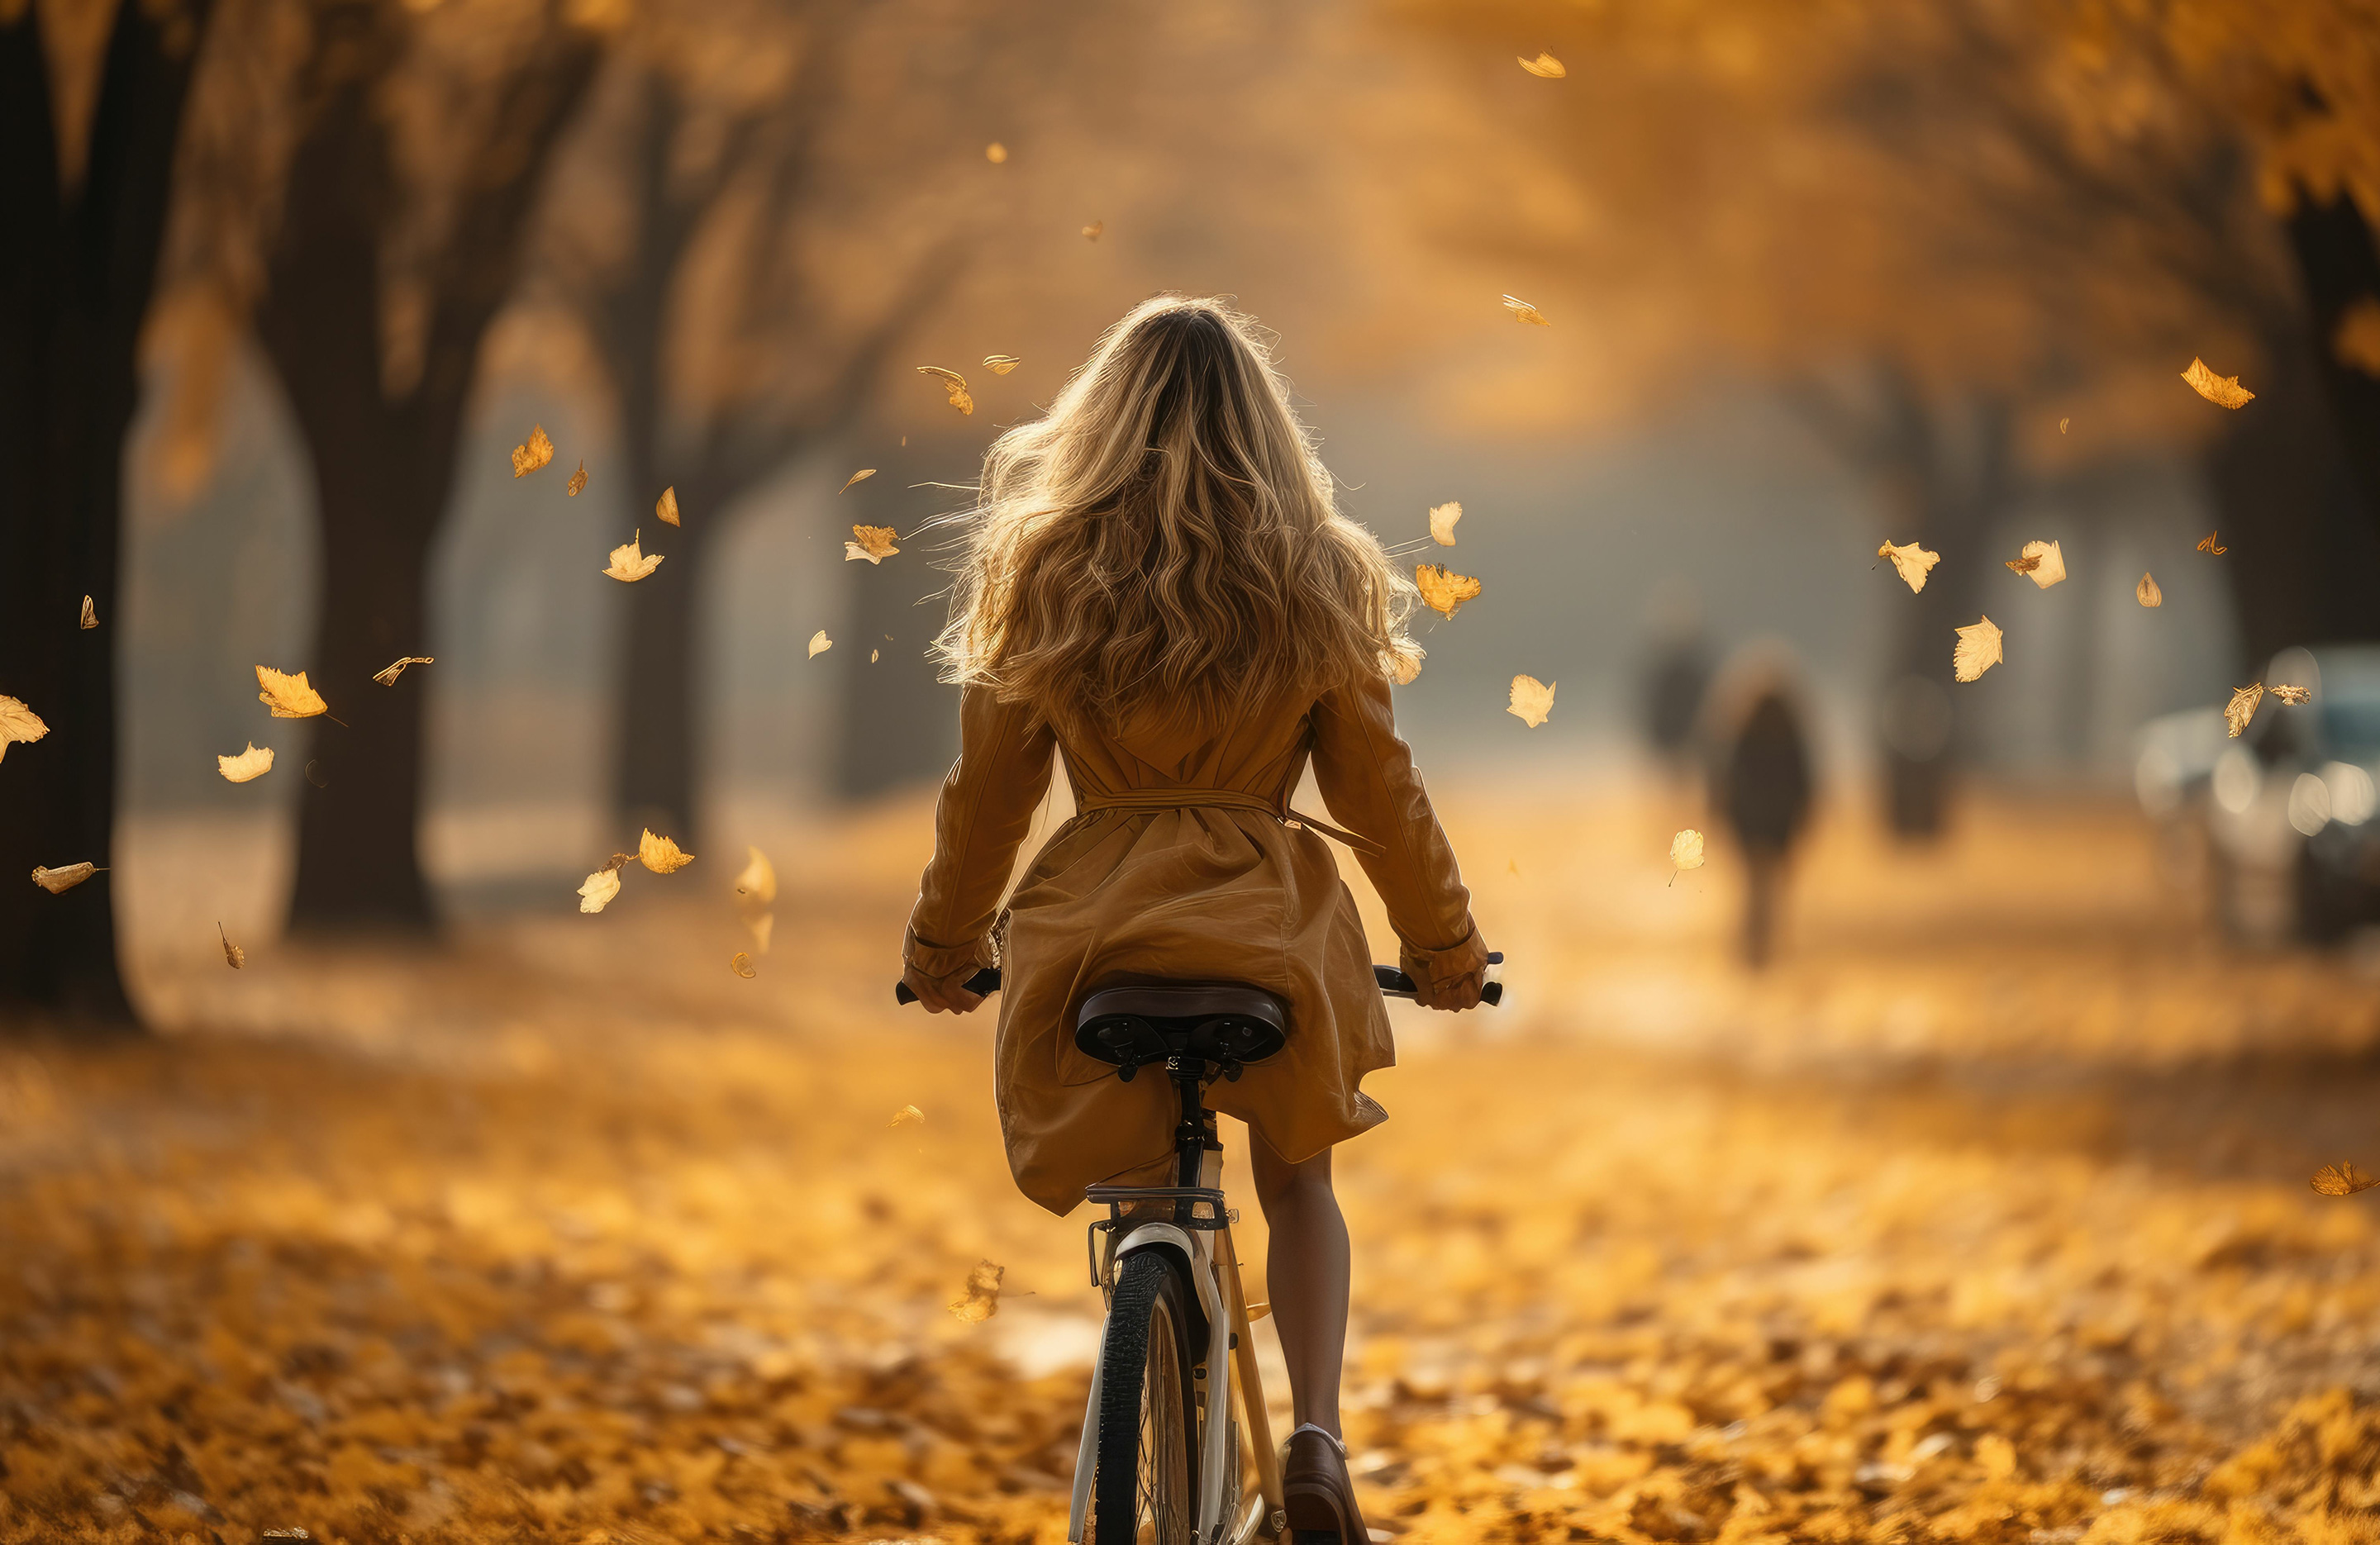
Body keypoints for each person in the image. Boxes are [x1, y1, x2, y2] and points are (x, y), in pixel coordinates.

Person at [899, 296, 1489, 1543]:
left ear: (1100, 420)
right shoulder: (1318, 569)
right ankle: (1318, 1432)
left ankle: (1151, 1330)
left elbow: (991, 798)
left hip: (1094, 927)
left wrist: (945, 947)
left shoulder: (1046, 567)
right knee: (1296, 1174)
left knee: (1143, 1177)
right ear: (1265, 430)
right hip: (1264, 920)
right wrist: (1443, 947)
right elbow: (1380, 793)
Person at [1702, 649, 1816, 968]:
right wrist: (1803, 816)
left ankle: (1754, 945)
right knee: (1772, 886)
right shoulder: (1790, 733)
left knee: (1755, 886)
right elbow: (1805, 781)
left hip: (1750, 825)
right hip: (1779, 825)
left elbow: (1723, 781)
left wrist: (1720, 814)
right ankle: (1766, 943)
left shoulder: (1740, 730)